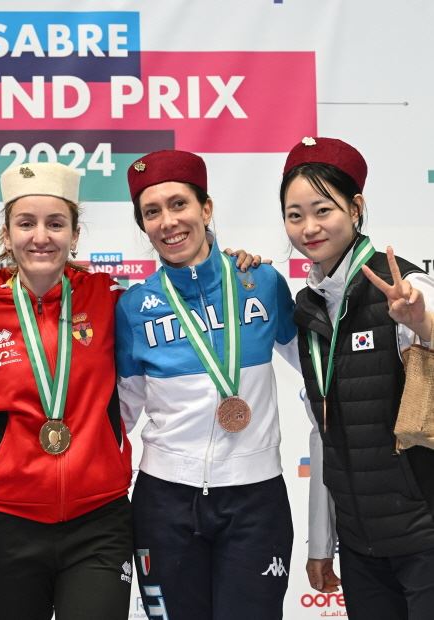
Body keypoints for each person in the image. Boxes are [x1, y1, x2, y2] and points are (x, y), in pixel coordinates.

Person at [116, 149, 301, 620]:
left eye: (179, 204)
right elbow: (120, 414)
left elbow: (320, 369)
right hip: (165, 499)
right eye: (151, 212)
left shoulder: (261, 282)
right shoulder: (134, 308)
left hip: (255, 497)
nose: (168, 222)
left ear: (206, 208)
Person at [0, 161, 134, 620]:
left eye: (55, 224)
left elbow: (178, 300)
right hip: (7, 524)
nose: (41, 237)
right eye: (26, 223)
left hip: (99, 522)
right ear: (7, 233)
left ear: (74, 234)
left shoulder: (111, 299)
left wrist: (231, 264)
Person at [281, 136, 434, 619]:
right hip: (361, 545)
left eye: (323, 210)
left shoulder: (404, 286)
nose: (309, 227)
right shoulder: (309, 307)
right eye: (295, 215)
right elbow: (324, 432)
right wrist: (321, 541)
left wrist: (422, 322)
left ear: (355, 207)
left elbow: (426, 324)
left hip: (424, 534)